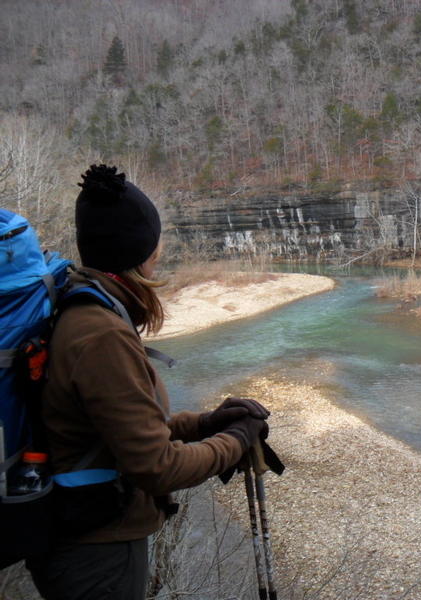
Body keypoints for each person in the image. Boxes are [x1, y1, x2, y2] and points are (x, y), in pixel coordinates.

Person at [25, 164, 268, 599]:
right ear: (139, 255)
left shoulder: (85, 309)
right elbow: (158, 467)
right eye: (156, 248)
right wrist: (236, 438)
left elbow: (120, 434)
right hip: (96, 553)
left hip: (84, 540)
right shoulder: (101, 335)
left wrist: (206, 422)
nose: (160, 256)